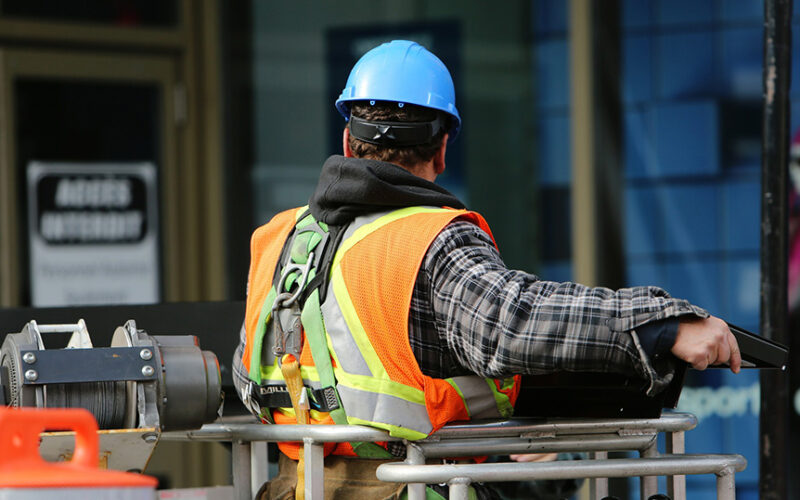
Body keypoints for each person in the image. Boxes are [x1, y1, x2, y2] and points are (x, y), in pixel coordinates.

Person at [233, 40, 741, 500]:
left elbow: (247, 374)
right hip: (411, 489)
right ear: (443, 148)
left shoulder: (279, 239)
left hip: (300, 488)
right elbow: (510, 324)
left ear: (347, 142)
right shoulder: (430, 239)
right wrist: (661, 324)